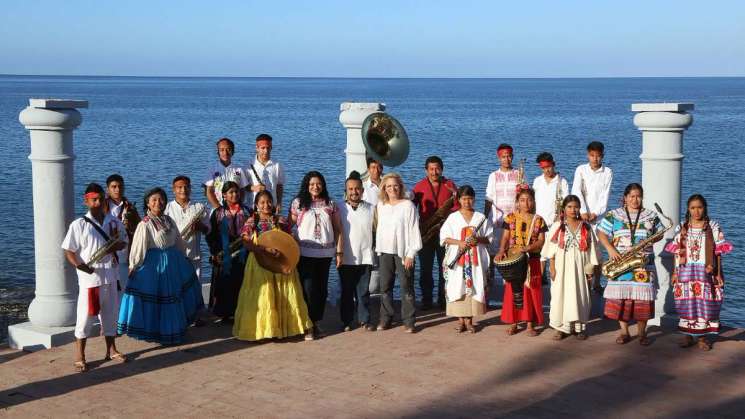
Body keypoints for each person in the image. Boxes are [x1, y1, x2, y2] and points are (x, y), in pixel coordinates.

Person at [117, 187, 204, 345]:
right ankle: (161, 332)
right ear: (148, 204)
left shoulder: (169, 220)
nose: (158, 203)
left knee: (174, 297)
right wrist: (134, 266)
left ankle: (174, 331)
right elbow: (138, 248)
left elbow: (178, 241)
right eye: (154, 200)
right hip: (155, 266)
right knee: (160, 300)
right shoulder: (145, 224)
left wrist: (184, 258)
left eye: (161, 199)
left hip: (173, 262)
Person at [62, 183, 129, 372]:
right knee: (85, 317)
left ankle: (112, 349)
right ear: (87, 201)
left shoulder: (114, 221)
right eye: (94, 200)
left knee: (110, 316)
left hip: (110, 275)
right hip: (91, 279)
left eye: (100, 199)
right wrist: (80, 266)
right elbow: (68, 250)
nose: (98, 203)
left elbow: (123, 242)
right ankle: (80, 355)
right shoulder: (79, 224)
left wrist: (118, 246)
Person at [232, 190, 312, 341]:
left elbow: (289, 241)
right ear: (256, 205)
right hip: (259, 263)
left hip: (280, 261)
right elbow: (246, 243)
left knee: (286, 294)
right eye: (262, 202)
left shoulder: (280, 221)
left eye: (269, 201)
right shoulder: (251, 222)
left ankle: (288, 327)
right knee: (263, 296)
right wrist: (264, 250)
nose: (266, 205)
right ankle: (263, 330)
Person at [665, 194, 733, 351]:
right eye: (693, 208)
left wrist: (718, 273)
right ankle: (688, 335)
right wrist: (675, 272)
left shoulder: (713, 227)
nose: (696, 211)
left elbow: (718, 253)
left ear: (705, 208)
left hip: (706, 271)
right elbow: (677, 252)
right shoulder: (682, 227)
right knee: (686, 303)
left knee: (705, 303)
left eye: (699, 207)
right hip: (685, 270)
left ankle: (703, 337)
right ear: (688, 210)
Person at [597, 183, 661, 346]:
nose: (635, 199)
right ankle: (624, 332)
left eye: (638, 196)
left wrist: (651, 240)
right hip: (620, 262)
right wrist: (611, 249)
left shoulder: (651, 215)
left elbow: (659, 234)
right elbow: (601, 233)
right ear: (625, 198)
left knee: (643, 300)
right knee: (622, 299)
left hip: (644, 265)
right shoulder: (614, 215)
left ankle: (642, 333)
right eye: (631, 196)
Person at [289, 171, 343, 340]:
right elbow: (289, 227)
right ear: (307, 185)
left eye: (318, 183)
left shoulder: (330, 204)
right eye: (312, 184)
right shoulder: (298, 203)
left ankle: (316, 321)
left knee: (321, 290)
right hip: (304, 253)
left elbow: (338, 229)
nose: (315, 187)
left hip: (325, 254)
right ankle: (307, 325)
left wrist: (339, 252)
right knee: (308, 289)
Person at [542, 195, 599, 340]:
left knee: (580, 296)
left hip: (581, 268)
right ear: (564, 209)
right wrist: (552, 268)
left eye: (576, 207)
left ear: (580, 208)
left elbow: (592, 251)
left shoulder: (586, 227)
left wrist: (590, 270)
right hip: (562, 268)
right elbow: (551, 250)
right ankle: (561, 328)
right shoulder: (558, 226)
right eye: (569, 207)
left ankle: (579, 327)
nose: (573, 210)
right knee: (560, 295)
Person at [495, 186, 547, 336]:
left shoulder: (539, 220)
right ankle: (514, 322)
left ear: (533, 201)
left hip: (532, 259)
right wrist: (501, 251)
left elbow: (542, 241)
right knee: (514, 291)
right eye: (523, 200)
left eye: (529, 200)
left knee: (531, 291)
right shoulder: (510, 218)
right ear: (517, 202)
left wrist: (529, 247)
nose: (526, 203)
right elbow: (505, 237)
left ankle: (530, 323)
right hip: (515, 258)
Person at [440, 185, 492, 333]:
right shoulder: (453, 217)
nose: (467, 202)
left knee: (473, 285)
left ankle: (470, 321)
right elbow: (444, 238)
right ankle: (460, 320)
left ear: (474, 199)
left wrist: (478, 239)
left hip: (475, 260)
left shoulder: (480, 217)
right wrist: (460, 243)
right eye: (464, 199)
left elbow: (489, 238)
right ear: (459, 200)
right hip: (458, 258)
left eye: (470, 198)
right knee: (458, 286)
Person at [375, 173, 422, 333]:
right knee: (385, 286)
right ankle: (385, 318)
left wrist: (411, 253)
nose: (392, 189)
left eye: (395, 185)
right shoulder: (381, 205)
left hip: (403, 253)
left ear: (400, 187)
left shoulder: (408, 206)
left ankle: (409, 321)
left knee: (406, 286)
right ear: (384, 188)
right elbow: (380, 229)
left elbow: (414, 231)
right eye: (388, 186)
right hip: (385, 252)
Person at [412, 156, 458, 310]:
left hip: (445, 235)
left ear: (442, 169)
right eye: (431, 169)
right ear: (426, 170)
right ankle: (426, 300)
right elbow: (410, 210)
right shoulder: (418, 187)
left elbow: (458, 208)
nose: (434, 172)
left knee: (444, 269)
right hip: (425, 234)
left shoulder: (450, 185)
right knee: (425, 269)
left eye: (437, 168)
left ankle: (443, 300)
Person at [206, 181, 252, 323]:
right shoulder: (218, 213)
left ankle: (241, 310)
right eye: (231, 192)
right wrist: (214, 252)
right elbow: (211, 234)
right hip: (223, 251)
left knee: (241, 280)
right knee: (224, 282)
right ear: (224, 195)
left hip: (242, 251)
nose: (234, 195)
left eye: (237, 192)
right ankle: (223, 313)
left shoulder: (247, 211)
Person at [571, 141, 613, 292]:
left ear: (602, 156)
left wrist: (596, 212)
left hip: (599, 217)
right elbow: (577, 190)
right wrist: (582, 210)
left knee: (597, 251)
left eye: (598, 156)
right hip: (581, 215)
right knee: (582, 248)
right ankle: (582, 282)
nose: (595, 159)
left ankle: (596, 283)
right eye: (592, 155)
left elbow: (605, 196)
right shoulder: (581, 170)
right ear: (588, 155)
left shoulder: (607, 172)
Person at [338, 171, 375, 331]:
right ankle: (346, 321)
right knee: (346, 292)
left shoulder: (372, 208)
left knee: (363, 292)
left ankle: (364, 320)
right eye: (350, 189)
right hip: (345, 257)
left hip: (365, 256)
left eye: (357, 189)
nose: (354, 192)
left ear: (362, 190)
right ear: (346, 191)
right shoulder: (339, 208)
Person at [164, 176, 210, 280]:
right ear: (174, 189)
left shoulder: (199, 207)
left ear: (190, 188)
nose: (183, 190)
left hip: (194, 258)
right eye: (179, 187)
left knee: (195, 291)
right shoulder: (167, 208)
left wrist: (200, 226)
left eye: (186, 187)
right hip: (174, 258)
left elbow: (208, 231)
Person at [104, 174, 141, 290]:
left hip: (124, 255)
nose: (117, 190)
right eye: (113, 187)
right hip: (106, 256)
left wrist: (130, 226)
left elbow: (139, 229)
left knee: (124, 289)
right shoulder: (101, 207)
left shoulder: (130, 208)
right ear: (108, 189)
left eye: (120, 186)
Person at [203, 137, 250, 209]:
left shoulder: (239, 169)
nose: (225, 153)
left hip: (236, 210)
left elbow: (242, 190)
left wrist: (238, 207)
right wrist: (219, 209)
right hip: (217, 209)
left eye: (228, 149)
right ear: (218, 152)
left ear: (233, 151)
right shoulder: (212, 169)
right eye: (222, 150)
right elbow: (209, 192)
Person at [245, 134, 286, 214]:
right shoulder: (248, 165)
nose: (266, 151)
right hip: (253, 208)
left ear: (271, 148)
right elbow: (243, 187)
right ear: (257, 148)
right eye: (263, 148)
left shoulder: (277, 165)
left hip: (271, 207)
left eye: (268, 148)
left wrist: (279, 203)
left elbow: (279, 186)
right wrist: (254, 188)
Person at [361, 157, 383, 296]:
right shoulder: (362, 187)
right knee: (368, 261)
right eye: (373, 167)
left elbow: (408, 194)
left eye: (379, 167)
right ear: (368, 169)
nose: (376, 170)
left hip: (384, 230)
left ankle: (377, 291)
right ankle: (366, 292)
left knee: (381, 263)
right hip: (368, 230)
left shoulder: (388, 184)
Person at [532, 152, 569, 229]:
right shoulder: (537, 181)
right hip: (538, 223)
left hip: (556, 224)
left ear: (553, 164)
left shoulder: (562, 182)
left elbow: (566, 204)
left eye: (548, 167)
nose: (546, 170)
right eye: (543, 168)